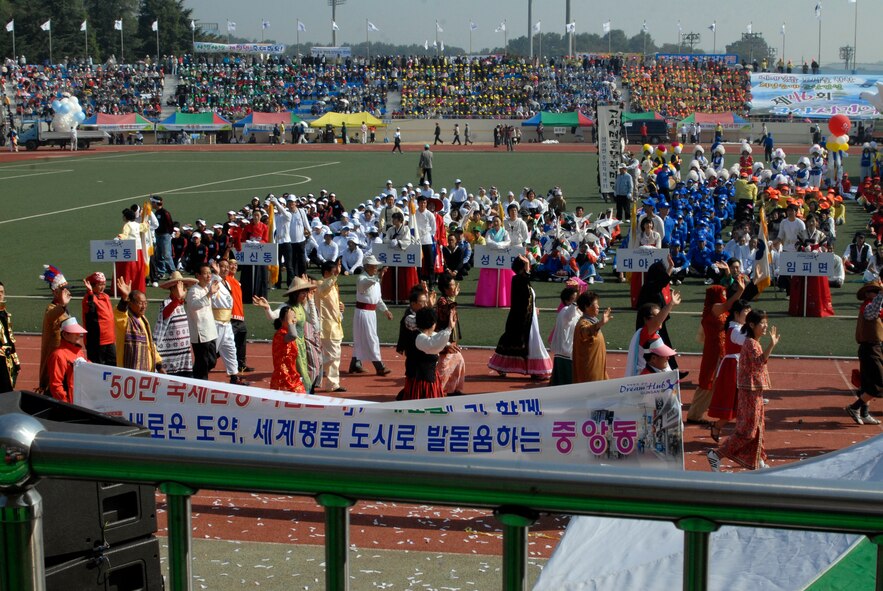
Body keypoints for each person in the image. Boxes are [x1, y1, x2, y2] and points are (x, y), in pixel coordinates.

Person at [708, 310, 781, 471]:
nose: (765, 327)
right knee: (747, 430)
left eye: (766, 323)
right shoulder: (750, 343)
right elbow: (759, 362)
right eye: (762, 324)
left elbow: (760, 362)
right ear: (752, 325)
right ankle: (717, 454)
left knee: (759, 427)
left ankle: (759, 460)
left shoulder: (754, 342)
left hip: (755, 392)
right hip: (750, 393)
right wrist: (772, 345)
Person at [687, 280, 746, 425]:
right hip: (713, 350)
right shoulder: (714, 308)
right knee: (708, 381)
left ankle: (723, 411)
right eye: (723, 293)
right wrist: (740, 291)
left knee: (717, 382)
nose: (725, 296)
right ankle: (695, 414)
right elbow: (728, 305)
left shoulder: (717, 310)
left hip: (720, 349)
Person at [488, 255, 553, 380]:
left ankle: (534, 370)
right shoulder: (517, 279)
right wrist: (528, 264)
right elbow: (528, 278)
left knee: (528, 341)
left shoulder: (522, 280)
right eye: (526, 266)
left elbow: (528, 295)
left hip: (529, 316)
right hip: (521, 318)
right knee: (517, 341)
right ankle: (533, 370)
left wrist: (534, 307)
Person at [707, 299, 752, 441]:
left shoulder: (739, 328)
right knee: (734, 404)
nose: (749, 314)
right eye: (747, 312)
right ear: (737, 314)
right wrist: (756, 329)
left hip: (739, 367)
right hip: (732, 369)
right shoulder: (734, 330)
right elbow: (745, 341)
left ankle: (720, 427)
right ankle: (722, 427)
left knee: (740, 405)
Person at [847, 280, 883, 425]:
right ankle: (854, 407)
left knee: (867, 383)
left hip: (874, 348)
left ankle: (864, 413)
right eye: (874, 291)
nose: (876, 294)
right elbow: (873, 312)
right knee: (879, 383)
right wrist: (881, 294)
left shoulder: (874, 307)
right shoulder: (868, 307)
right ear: (868, 294)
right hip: (870, 349)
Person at [351, 255, 394, 375]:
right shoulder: (362, 279)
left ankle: (355, 363)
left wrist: (385, 310)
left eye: (376, 266)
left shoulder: (374, 280)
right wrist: (379, 276)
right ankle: (379, 366)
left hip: (371, 313)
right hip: (363, 312)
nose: (375, 268)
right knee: (371, 338)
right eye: (373, 266)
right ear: (366, 267)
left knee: (362, 338)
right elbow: (366, 283)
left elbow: (378, 299)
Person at [635, 260, 680, 369]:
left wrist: (670, 267)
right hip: (651, 324)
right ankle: (669, 369)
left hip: (657, 321)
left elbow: (663, 280)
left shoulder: (652, 285)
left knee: (665, 345)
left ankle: (673, 368)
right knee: (656, 348)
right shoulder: (650, 286)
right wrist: (671, 304)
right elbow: (663, 281)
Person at [211, 259, 249, 385]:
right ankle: (200, 375)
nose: (226, 269)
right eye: (222, 266)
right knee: (211, 353)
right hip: (217, 322)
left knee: (231, 349)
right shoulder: (214, 280)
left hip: (227, 322)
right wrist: (216, 273)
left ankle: (234, 377)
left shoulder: (227, 282)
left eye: (227, 266)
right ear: (217, 267)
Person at [399, 307, 451, 400]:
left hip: (417, 377)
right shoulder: (421, 339)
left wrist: (447, 344)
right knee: (426, 404)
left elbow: (434, 337)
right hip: (423, 381)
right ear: (433, 324)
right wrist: (449, 328)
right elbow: (433, 344)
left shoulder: (417, 333)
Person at [113, 278, 163, 372]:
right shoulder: (125, 320)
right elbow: (120, 312)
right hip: (130, 372)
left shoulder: (143, 319)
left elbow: (150, 345)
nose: (144, 306)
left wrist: (159, 365)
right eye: (140, 303)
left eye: (145, 303)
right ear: (130, 304)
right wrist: (124, 298)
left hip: (147, 371)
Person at [154, 271, 197, 378]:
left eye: (185, 287)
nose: (184, 290)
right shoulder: (167, 303)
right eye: (181, 287)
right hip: (169, 360)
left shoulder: (181, 305)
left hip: (183, 358)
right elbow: (166, 314)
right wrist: (177, 299)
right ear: (172, 289)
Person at [315, 260, 347, 393]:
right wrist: (335, 276)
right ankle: (317, 372)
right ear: (327, 272)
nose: (336, 275)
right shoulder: (320, 284)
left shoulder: (333, 286)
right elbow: (324, 289)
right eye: (333, 272)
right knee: (332, 356)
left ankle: (329, 382)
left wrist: (341, 307)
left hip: (336, 325)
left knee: (334, 357)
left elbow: (334, 303)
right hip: (327, 327)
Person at [38, 266, 71, 392]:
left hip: (65, 358)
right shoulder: (51, 309)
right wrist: (63, 305)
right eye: (63, 289)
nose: (67, 291)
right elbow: (51, 317)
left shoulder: (63, 308)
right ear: (55, 292)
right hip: (54, 360)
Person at [186, 264, 219, 381]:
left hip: (210, 330)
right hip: (200, 333)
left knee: (212, 361)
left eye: (209, 273)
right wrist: (209, 294)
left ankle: (195, 376)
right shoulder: (194, 291)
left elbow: (216, 285)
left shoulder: (206, 288)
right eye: (205, 273)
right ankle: (200, 383)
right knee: (203, 363)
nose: (208, 276)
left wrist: (217, 274)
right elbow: (193, 305)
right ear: (198, 276)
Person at [571, 291, 613, 384]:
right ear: (587, 307)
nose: (598, 306)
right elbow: (585, 332)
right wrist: (600, 323)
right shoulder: (582, 323)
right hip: (589, 371)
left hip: (598, 367)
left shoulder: (593, 320)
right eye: (596, 304)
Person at [435, 273, 465, 395]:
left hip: (450, 338)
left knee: (458, 362)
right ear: (445, 289)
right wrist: (453, 298)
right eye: (452, 285)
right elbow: (448, 309)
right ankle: (438, 390)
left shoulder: (448, 299)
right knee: (443, 368)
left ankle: (454, 389)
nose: (454, 287)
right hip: (443, 338)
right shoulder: (442, 301)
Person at [45, 317, 89, 403]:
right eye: (74, 332)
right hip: (67, 404)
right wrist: (67, 404)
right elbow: (56, 385)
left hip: (78, 401)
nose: (78, 334)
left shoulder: (79, 351)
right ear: (65, 334)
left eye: (78, 332)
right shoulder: (58, 355)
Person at [474, 216, 513, 307]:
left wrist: (500, 245)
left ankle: (503, 301)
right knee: (489, 281)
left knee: (503, 281)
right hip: (491, 258)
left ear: (501, 222)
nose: (495, 223)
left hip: (502, 258)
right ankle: (487, 300)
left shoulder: (505, 232)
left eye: (497, 221)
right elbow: (488, 241)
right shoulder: (489, 232)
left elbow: (508, 242)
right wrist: (496, 245)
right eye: (494, 221)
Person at [82, 272, 117, 366]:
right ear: (92, 285)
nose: (103, 287)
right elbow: (91, 310)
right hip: (96, 341)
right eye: (100, 284)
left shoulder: (105, 296)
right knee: (98, 368)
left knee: (113, 365)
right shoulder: (88, 299)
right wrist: (90, 293)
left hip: (110, 340)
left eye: (104, 284)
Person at [270, 305, 307, 393]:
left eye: (294, 317)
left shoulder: (287, 332)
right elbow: (293, 335)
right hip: (283, 378)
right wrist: (290, 322)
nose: (293, 320)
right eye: (290, 317)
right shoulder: (281, 334)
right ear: (282, 320)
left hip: (292, 376)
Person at [549, 287, 581, 386]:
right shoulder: (566, 310)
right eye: (573, 299)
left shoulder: (576, 311)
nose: (576, 301)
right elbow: (570, 312)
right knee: (566, 382)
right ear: (567, 301)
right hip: (566, 351)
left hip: (567, 350)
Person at [115, 205, 148, 294]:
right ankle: (137, 287)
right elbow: (145, 227)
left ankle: (125, 287)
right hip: (138, 249)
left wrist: (119, 237)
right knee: (138, 270)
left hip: (129, 250)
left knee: (128, 270)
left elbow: (125, 235)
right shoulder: (138, 225)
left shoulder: (127, 225)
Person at [0, 281, 21, 393]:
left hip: (7, 359)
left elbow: (9, 339)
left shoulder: (4, 313)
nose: (0, 294)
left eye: (2, 292)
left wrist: (15, 359)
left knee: (8, 389)